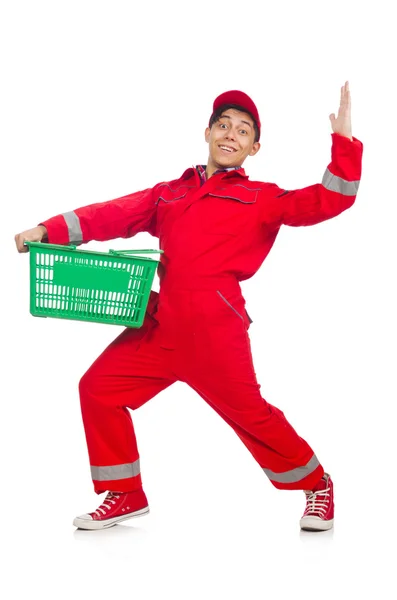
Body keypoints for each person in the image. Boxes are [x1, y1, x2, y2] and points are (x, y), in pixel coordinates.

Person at [15, 82, 363, 532]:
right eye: (223, 125)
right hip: (161, 327)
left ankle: (318, 484)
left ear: (254, 147)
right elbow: (113, 214)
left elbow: (331, 199)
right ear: (207, 132)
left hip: (217, 333)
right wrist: (48, 230)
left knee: (253, 416)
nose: (230, 135)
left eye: (242, 131)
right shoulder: (170, 193)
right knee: (98, 389)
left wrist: (344, 143)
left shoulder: (263, 197)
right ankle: (125, 493)